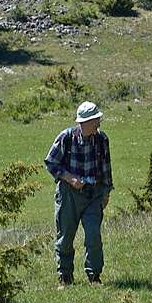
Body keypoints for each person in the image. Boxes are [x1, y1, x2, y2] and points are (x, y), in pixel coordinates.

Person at [44, 101, 113, 287]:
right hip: (69, 194)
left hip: (94, 194)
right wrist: (69, 178)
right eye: (94, 120)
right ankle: (65, 278)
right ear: (83, 123)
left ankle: (94, 277)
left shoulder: (101, 139)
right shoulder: (66, 137)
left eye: (98, 119)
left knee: (93, 236)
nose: (98, 123)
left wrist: (106, 193)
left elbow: (106, 168)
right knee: (66, 237)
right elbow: (50, 162)